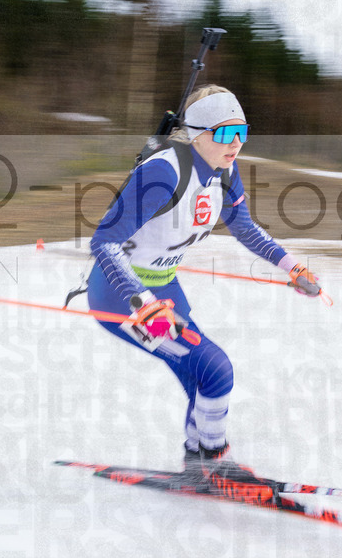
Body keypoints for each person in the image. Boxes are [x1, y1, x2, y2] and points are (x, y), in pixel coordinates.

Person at [85, 85, 323, 478]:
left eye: (243, 133)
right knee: (216, 369)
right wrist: (141, 302)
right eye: (227, 134)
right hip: (120, 294)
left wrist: (293, 267)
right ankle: (212, 462)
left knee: (202, 377)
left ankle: (199, 462)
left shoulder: (224, 170)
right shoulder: (163, 172)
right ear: (197, 133)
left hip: (163, 288)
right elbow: (104, 242)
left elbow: (243, 227)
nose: (237, 144)